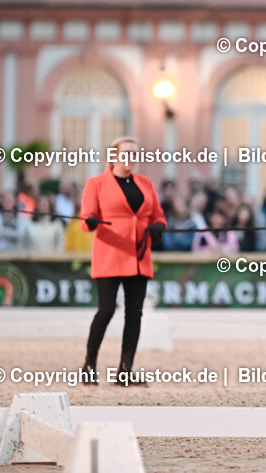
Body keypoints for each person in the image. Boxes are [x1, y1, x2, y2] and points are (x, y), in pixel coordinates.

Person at [80, 136, 166, 386]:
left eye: (135, 153)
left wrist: (159, 226)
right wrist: (90, 222)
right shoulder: (96, 183)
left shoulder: (146, 184)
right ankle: (88, 365)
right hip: (110, 254)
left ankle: (125, 370)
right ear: (114, 156)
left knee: (135, 313)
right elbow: (86, 219)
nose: (131, 157)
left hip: (139, 257)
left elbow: (158, 215)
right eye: (126, 152)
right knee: (106, 310)